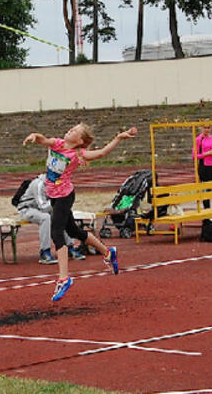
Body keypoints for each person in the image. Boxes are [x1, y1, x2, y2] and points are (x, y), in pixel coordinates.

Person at [23, 123, 137, 301]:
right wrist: (34, 136)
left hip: (65, 196)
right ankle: (108, 252)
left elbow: (101, 153)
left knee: (56, 232)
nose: (70, 130)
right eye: (71, 128)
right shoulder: (57, 143)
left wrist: (118, 138)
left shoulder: (78, 154)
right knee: (74, 231)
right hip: (54, 196)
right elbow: (42, 139)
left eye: (75, 131)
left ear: (80, 140)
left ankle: (64, 278)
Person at [16, 174, 86, 265]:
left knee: (63, 214)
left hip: (45, 208)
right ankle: (44, 252)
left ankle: (70, 248)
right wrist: (58, 204)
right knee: (45, 218)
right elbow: (43, 206)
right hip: (27, 208)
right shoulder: (39, 184)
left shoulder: (58, 184)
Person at [193, 124, 212, 209]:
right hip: (204, 166)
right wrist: (207, 153)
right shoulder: (199, 139)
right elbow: (194, 156)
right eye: (205, 128)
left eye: (208, 128)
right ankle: (207, 213)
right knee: (207, 189)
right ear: (201, 128)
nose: (207, 130)